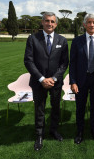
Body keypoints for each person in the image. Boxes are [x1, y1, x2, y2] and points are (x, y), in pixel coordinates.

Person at [24, 12, 69, 151]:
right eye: (47, 21)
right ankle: (39, 135)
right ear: (42, 22)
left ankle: (54, 130)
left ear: (56, 24)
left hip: (56, 82)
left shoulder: (62, 40)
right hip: (39, 82)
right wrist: (42, 78)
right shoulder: (32, 38)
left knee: (55, 108)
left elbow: (64, 63)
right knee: (40, 109)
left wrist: (54, 78)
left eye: (52, 21)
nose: (50, 24)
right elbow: (28, 61)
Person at [69, 13, 94, 144]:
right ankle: (79, 132)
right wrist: (73, 82)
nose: (92, 25)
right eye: (89, 22)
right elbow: (73, 63)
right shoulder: (76, 41)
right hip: (81, 80)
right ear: (84, 24)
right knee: (80, 107)